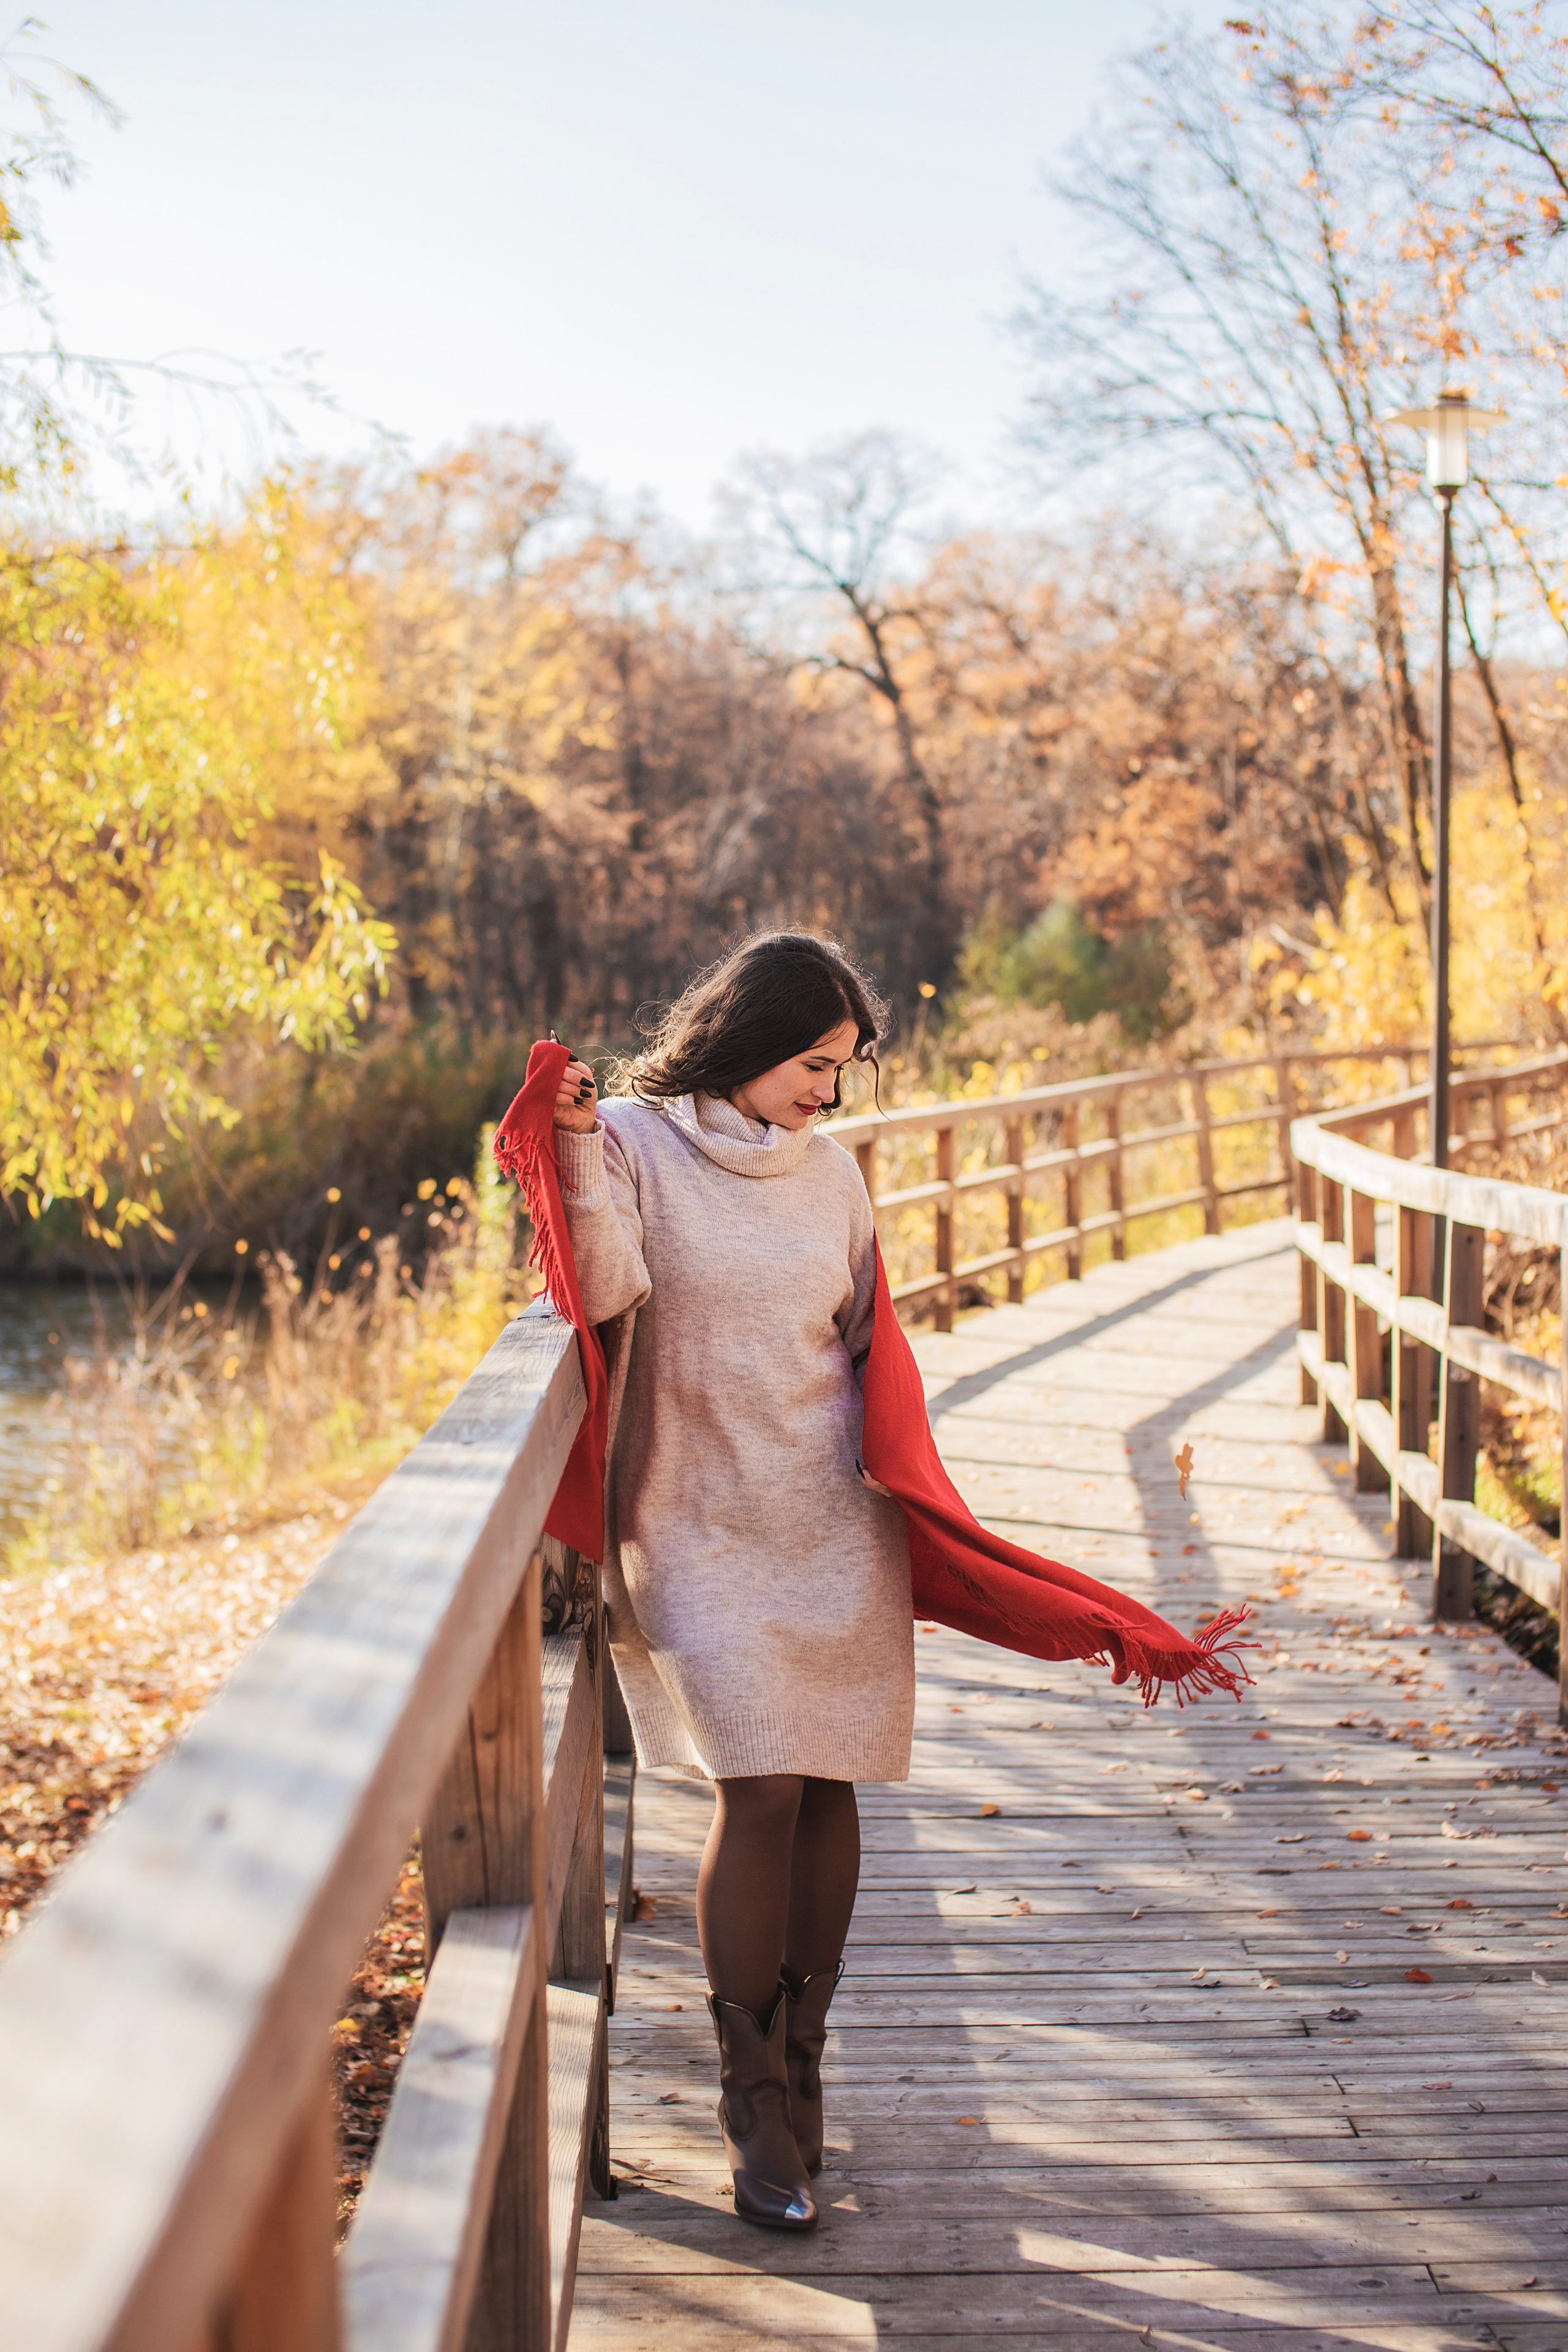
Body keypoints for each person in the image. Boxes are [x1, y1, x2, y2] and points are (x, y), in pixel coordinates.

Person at [549, 930, 903, 2233]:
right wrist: (577, 1153)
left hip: (831, 1515)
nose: (828, 1090)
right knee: (754, 1785)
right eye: (814, 1062)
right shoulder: (636, 1145)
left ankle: (804, 2066)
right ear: (750, 1042)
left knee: (825, 1785)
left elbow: (864, 1341)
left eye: (842, 1069)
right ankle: (748, 2091)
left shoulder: (835, 1179)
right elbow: (595, 1288)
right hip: (693, 1517)